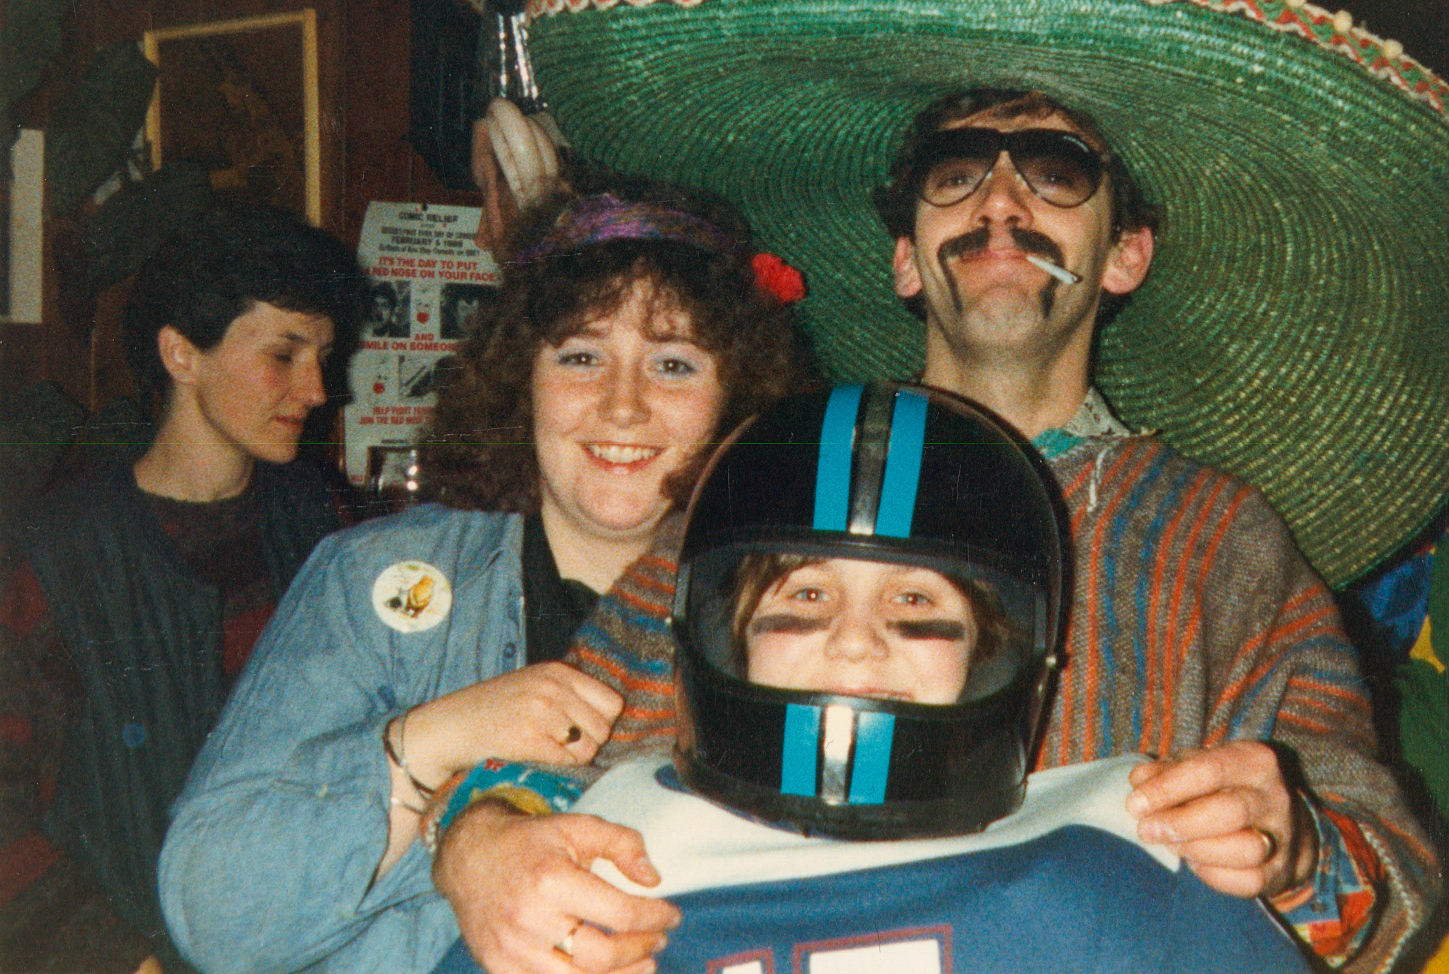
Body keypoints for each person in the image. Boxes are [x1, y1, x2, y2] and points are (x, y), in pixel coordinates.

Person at [461, 0, 1447, 970]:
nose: (999, 201)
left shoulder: (1217, 541)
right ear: (904, 259)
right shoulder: (772, 483)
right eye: (956, 171)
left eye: (1056, 171)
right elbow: (556, 750)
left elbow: (1392, 897)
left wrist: (1294, 850)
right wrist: (481, 843)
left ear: (1123, 256)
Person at [428, 384, 1311, 974]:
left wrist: (1303, 850)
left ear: (999, 648)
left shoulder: (1127, 860)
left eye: (916, 603)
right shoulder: (600, 878)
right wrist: (481, 832)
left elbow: (1367, 867)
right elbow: (528, 757)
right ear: (720, 635)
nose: (854, 645)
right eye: (805, 597)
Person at [157, 180, 814, 971]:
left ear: (733, 395)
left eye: (673, 365)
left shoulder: (795, 608)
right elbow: (213, 916)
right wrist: (426, 744)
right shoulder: (371, 579)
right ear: (518, 378)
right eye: (581, 357)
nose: (623, 406)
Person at [0, 202, 367, 972]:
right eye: (284, 354)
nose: (316, 389)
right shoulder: (57, 550)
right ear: (181, 354)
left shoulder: (322, 519)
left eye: (324, 356)